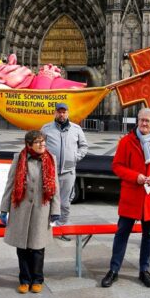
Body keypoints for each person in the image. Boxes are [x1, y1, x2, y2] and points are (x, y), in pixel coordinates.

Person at [101, 108, 150, 288]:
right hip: (132, 194)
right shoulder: (127, 141)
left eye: (147, 121)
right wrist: (136, 176)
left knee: (149, 234)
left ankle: (144, 270)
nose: (143, 124)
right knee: (122, 232)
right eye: (141, 120)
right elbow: (117, 166)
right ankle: (114, 269)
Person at [0, 130, 60, 294]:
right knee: (22, 247)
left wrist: (55, 210)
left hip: (41, 209)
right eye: (38, 142)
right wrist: (4, 208)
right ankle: (24, 280)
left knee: (38, 247)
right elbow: (10, 184)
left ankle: (38, 279)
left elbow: (55, 188)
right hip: (21, 210)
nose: (42, 145)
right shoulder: (19, 158)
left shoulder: (50, 159)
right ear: (29, 144)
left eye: (44, 141)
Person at [40, 102, 88, 240]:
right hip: (50, 171)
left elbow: (84, 146)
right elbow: (39, 146)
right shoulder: (46, 128)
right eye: (59, 112)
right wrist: (45, 159)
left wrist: (75, 157)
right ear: (55, 113)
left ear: (68, 113)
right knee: (47, 199)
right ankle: (46, 227)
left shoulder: (76, 129)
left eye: (64, 112)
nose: (61, 114)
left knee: (65, 202)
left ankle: (62, 228)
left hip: (68, 172)